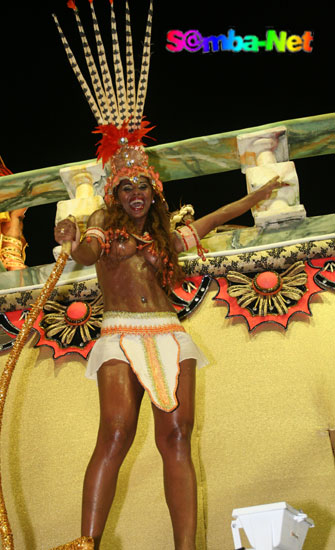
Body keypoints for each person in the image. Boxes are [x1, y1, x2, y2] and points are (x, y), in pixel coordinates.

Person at [54, 171, 283, 550]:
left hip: (167, 333)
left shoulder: (167, 238)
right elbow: (87, 253)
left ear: (155, 194)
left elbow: (217, 217)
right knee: (114, 432)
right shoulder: (103, 224)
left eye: (142, 186)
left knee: (177, 439)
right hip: (119, 333)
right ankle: (86, 544)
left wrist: (255, 196)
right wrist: (73, 238)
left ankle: (186, 548)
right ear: (115, 196)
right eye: (126, 188)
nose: (135, 194)